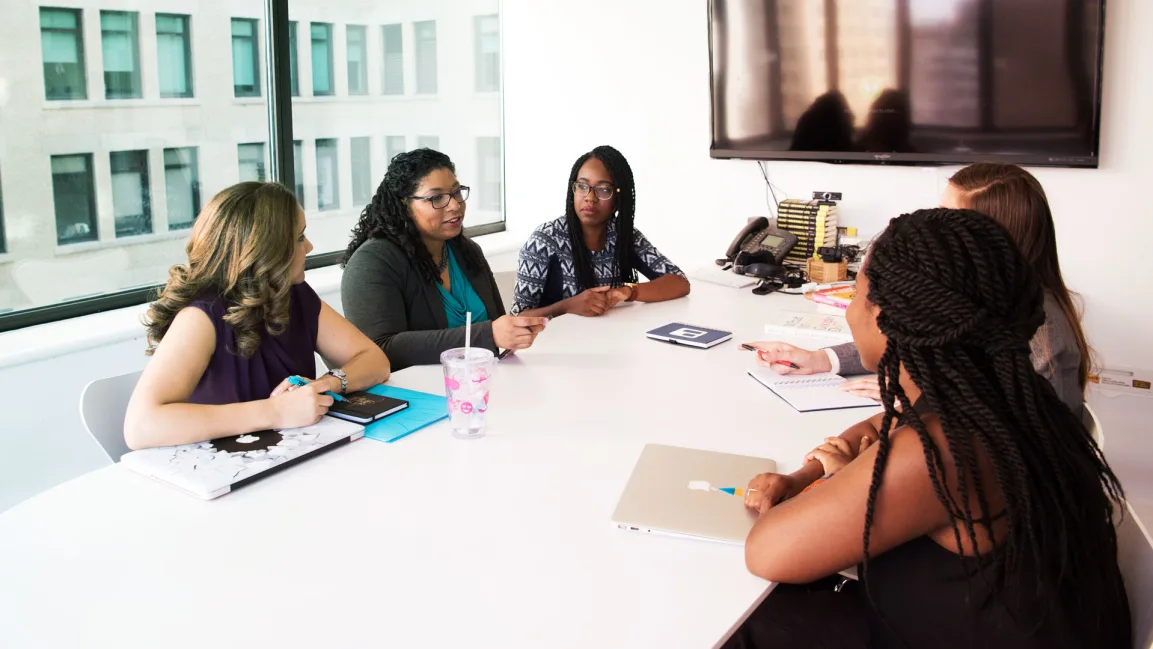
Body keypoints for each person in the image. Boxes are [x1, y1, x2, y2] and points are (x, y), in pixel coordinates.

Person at [726, 209, 1130, 649]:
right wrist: (815, 472)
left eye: (856, 295)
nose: (849, 313)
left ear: (887, 319)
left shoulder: (939, 451)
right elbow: (886, 422)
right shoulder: (1007, 394)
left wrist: (839, 478)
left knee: (740, 623)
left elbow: (767, 551)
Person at [746, 163, 1090, 417]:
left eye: (948, 219)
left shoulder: (1042, 333)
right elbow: (919, 336)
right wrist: (823, 359)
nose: (931, 229)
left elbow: (1024, 429)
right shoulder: (979, 302)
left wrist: (917, 401)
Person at [124, 182, 391, 450]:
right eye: (299, 238)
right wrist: (276, 411)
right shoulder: (200, 316)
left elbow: (375, 361)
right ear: (266, 250)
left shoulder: (294, 295)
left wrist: (326, 385)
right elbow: (140, 427)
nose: (309, 247)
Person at [341, 148, 547, 371]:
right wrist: (488, 335)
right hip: (415, 396)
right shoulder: (373, 262)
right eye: (437, 197)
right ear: (405, 205)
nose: (454, 205)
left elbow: (495, 324)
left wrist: (513, 333)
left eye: (457, 192)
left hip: (480, 385)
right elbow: (381, 349)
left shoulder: (466, 251)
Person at [510, 145, 690, 318]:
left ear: (619, 197)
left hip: (609, 340)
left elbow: (679, 282)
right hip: (556, 345)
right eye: (582, 186)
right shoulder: (545, 241)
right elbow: (517, 318)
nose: (590, 198)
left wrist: (627, 292)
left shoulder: (623, 235)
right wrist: (567, 307)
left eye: (603, 190)